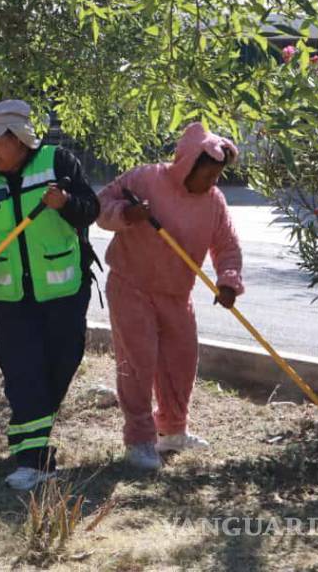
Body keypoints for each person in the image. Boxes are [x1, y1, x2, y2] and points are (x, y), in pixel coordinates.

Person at [0, 99, 99, 491]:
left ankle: (28, 439)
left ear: (18, 139)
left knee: (60, 364)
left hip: (63, 290)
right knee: (22, 370)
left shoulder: (58, 162)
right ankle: (34, 460)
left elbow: (90, 210)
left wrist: (64, 204)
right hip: (12, 295)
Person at [96, 121, 244, 471]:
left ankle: (173, 431)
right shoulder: (146, 179)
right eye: (207, 175)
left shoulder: (214, 201)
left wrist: (228, 280)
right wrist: (127, 215)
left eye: (217, 177)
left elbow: (226, 244)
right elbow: (101, 206)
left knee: (180, 362)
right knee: (138, 364)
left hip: (177, 294)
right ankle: (140, 440)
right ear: (186, 164)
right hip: (131, 286)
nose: (211, 183)